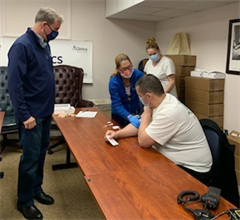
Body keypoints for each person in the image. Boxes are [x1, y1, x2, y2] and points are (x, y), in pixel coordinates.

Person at [105, 74, 213, 185]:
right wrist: (117, 134)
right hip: (177, 161)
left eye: (140, 95)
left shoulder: (169, 112)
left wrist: (146, 113)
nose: (139, 98)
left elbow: (143, 141)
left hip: (193, 171)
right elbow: (140, 124)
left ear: (148, 96)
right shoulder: (161, 100)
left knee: (141, 180)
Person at [7, 7, 63, 220]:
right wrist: (24, 115)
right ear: (44, 25)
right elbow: (14, 85)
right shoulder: (22, 45)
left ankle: (36, 189)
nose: (56, 33)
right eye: (55, 29)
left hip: (45, 112)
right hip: (31, 115)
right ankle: (25, 201)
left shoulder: (43, 44)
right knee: (30, 158)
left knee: (40, 155)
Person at [109, 53, 144, 128]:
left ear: (131, 64)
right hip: (118, 116)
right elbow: (117, 104)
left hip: (136, 112)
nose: (128, 70)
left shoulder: (138, 75)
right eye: (124, 69)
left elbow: (145, 93)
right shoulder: (114, 82)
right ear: (118, 69)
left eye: (129, 67)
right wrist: (129, 116)